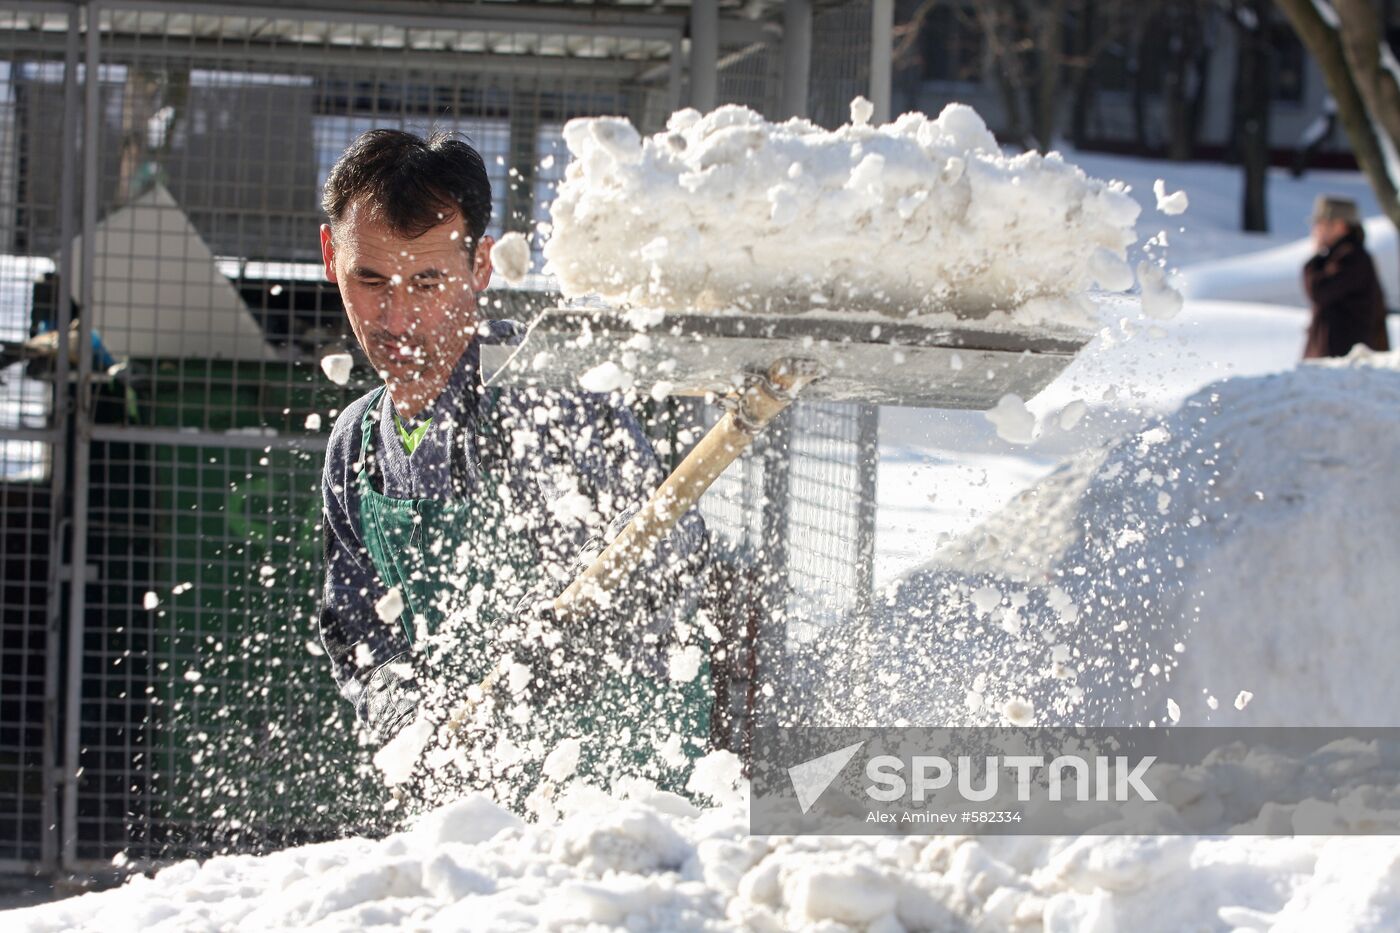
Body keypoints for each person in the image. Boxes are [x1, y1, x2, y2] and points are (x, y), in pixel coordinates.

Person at [315, 129, 712, 808]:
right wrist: (401, 709)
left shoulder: (545, 406)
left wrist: (563, 652)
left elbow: (667, 570)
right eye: (370, 278)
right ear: (330, 256)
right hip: (467, 812)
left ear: (480, 267)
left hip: (619, 793)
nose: (397, 315)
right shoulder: (356, 447)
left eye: (429, 281)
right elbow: (357, 628)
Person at [1302, 195, 1391, 359]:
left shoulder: (1351, 257)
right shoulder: (1341, 255)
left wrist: (1315, 258)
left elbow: (1320, 291)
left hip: (1344, 358)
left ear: (1339, 225)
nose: (1316, 229)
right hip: (1341, 356)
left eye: (1321, 223)